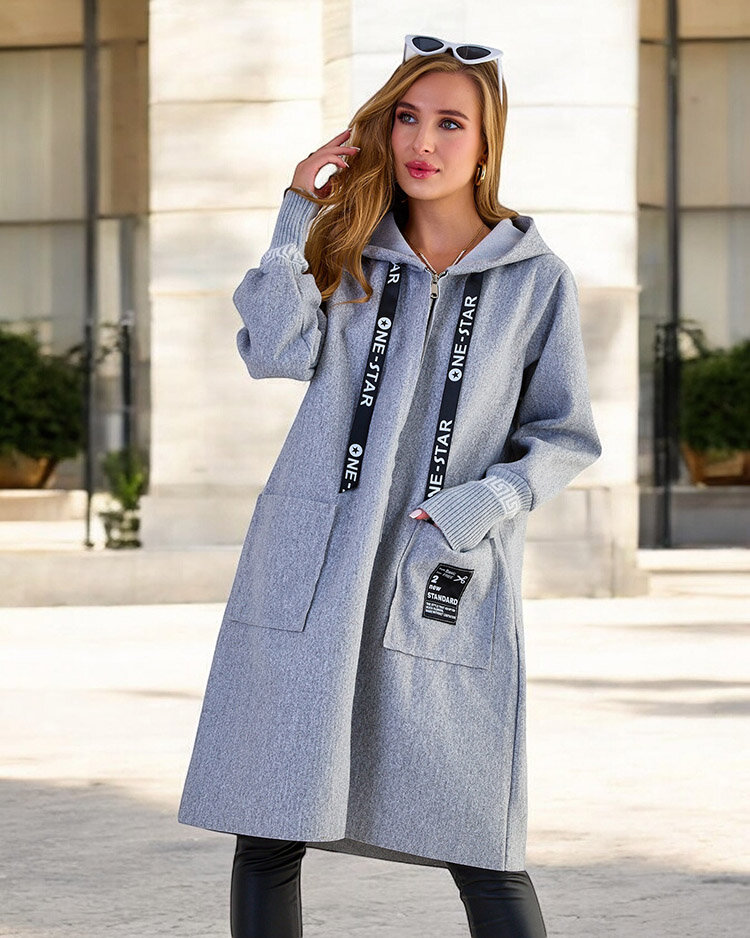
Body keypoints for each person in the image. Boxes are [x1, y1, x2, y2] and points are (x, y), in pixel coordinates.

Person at [178, 34, 602, 938]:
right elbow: (272, 351)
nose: (423, 141)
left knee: (480, 835)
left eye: (451, 123)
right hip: (313, 564)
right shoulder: (348, 249)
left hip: (438, 562)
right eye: (407, 117)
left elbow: (564, 435)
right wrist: (297, 210)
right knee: (269, 824)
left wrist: (479, 506)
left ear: (486, 145)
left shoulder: (536, 282)